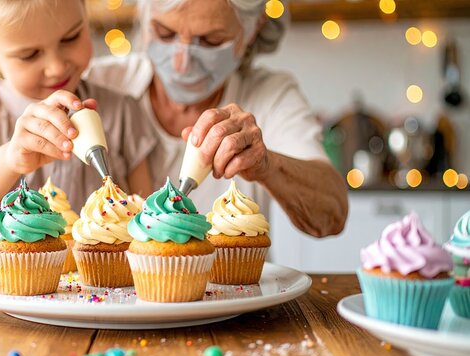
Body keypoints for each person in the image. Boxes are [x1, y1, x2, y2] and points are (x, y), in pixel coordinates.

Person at [0, 0, 155, 268]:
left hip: (102, 304)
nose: (56, 67)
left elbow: (146, 227)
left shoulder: (122, 112)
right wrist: (10, 159)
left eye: (70, 37)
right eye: (29, 54)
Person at [85, 0, 348, 237]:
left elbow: (332, 215)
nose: (181, 64)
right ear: (143, 17)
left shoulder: (271, 95)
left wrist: (267, 165)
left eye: (210, 41)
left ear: (251, 30)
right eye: (165, 33)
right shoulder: (95, 86)